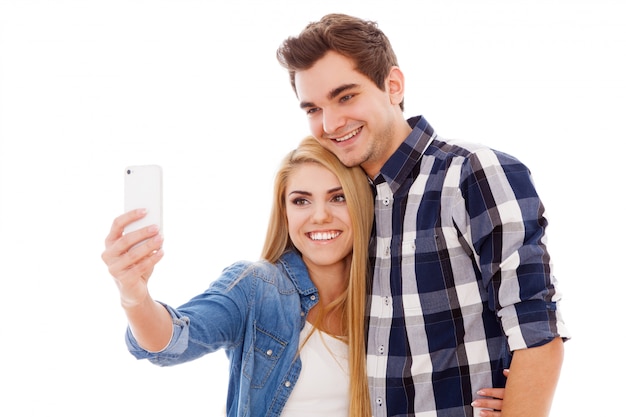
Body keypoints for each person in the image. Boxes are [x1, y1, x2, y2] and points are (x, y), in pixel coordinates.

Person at [276, 13, 569, 417]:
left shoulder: (473, 173)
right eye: (313, 108)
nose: (330, 124)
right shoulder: (346, 204)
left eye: (346, 97)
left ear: (393, 85)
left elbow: (537, 333)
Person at [101, 136, 376, 416]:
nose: (319, 216)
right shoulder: (257, 288)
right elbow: (175, 340)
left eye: (338, 197)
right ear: (285, 213)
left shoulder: (387, 295)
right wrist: (134, 298)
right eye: (301, 201)